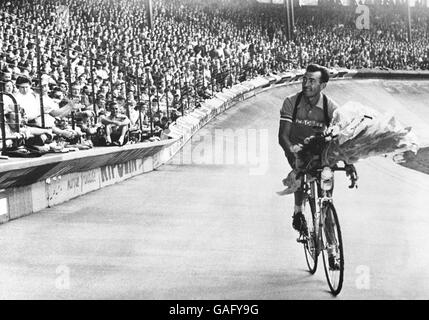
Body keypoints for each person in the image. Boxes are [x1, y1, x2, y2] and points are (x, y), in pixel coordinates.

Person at [278, 64, 338, 234]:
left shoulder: (331, 107)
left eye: (312, 81)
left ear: (322, 85)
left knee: (327, 190)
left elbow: (339, 137)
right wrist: (296, 159)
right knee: (300, 177)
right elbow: (283, 136)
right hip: (296, 149)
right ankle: (298, 212)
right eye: (304, 79)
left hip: (320, 152)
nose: (306, 84)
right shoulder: (291, 102)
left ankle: (332, 245)